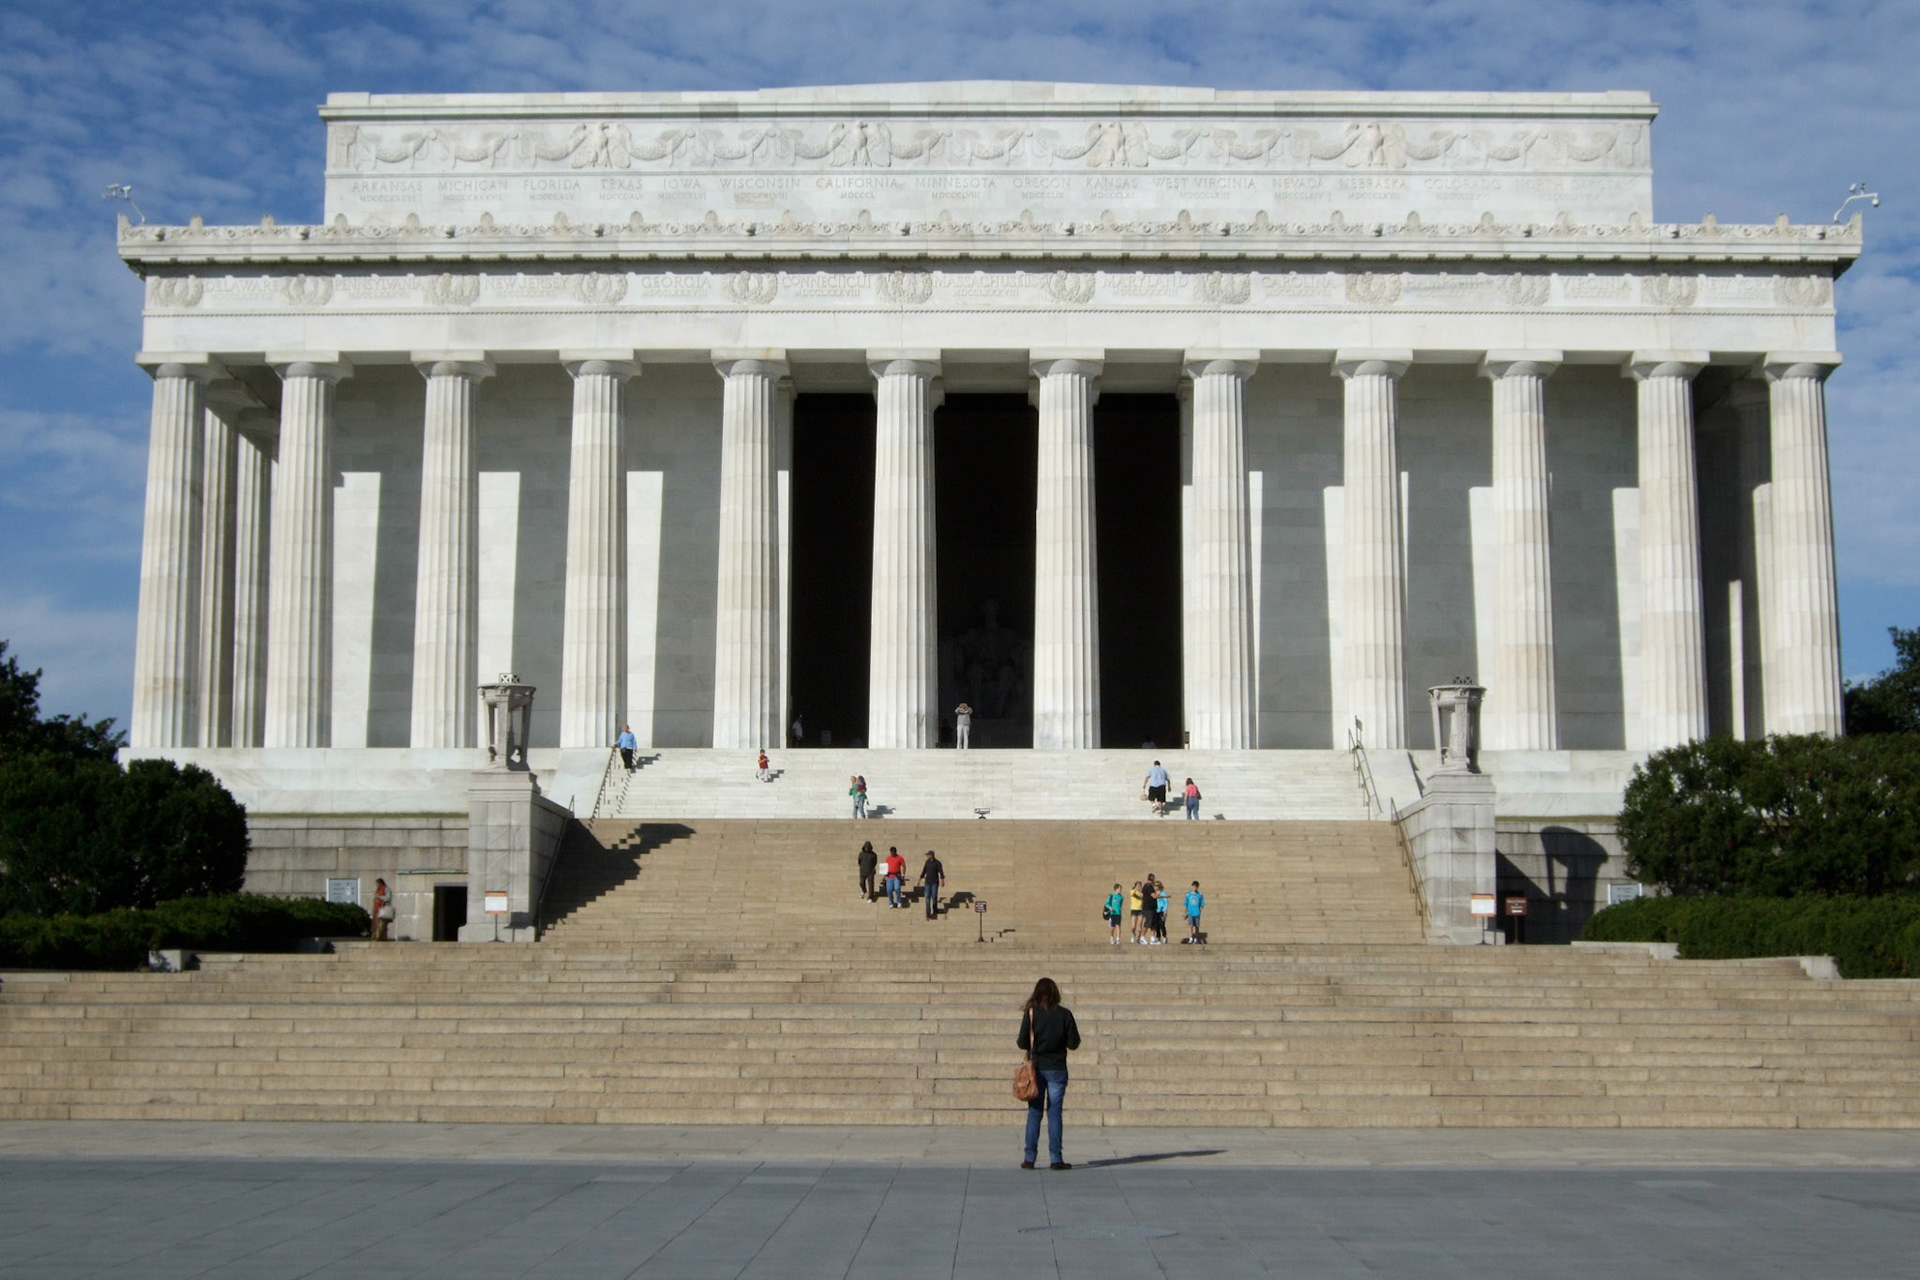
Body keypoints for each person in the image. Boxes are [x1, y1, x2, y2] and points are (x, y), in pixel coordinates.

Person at [1016, 977, 1081, 1170]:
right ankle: (1055, 1158)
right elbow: (1074, 1043)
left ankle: (1029, 1158)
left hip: (1036, 1069)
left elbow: (1021, 1043)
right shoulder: (1064, 1014)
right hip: (1057, 1068)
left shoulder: (1032, 1014)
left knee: (1034, 1112)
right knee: (1054, 1114)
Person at [918, 849, 945, 920]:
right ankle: (928, 913)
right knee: (927, 898)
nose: (927, 856)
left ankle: (935, 909)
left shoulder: (938, 863)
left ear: (931, 855)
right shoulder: (927, 862)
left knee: (934, 897)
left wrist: (942, 881)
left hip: (934, 882)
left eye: (928, 855)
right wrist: (920, 879)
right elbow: (924, 871)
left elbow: (941, 873)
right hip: (927, 882)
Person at [370, 877, 392, 942]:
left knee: (382, 924)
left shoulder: (386, 889)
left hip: (383, 909)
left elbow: (388, 898)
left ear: (381, 883)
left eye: (378, 884)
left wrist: (380, 897)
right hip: (376, 909)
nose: (377, 885)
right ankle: (376, 936)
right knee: (376, 924)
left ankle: (381, 937)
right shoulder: (377, 890)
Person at [1154, 879, 1172, 944]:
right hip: (1156, 910)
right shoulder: (1154, 894)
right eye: (1154, 885)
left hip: (1162, 910)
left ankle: (1164, 935)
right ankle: (1158, 937)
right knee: (1156, 925)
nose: (1155, 887)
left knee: (1161, 924)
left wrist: (1165, 909)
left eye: (1156, 885)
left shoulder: (1163, 893)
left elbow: (1166, 902)